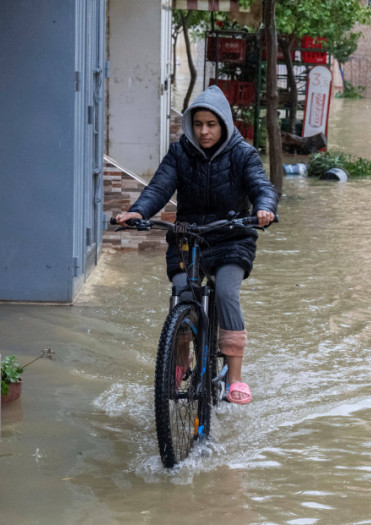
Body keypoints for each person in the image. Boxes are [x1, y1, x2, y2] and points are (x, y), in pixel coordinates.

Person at [115, 85, 277, 405]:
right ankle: (180, 360)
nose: (204, 131)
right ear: (190, 125)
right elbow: (159, 187)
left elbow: (261, 186)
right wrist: (139, 211)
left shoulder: (243, 154)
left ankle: (235, 378)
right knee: (182, 294)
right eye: (199, 124)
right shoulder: (180, 153)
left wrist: (264, 208)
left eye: (211, 124)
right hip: (188, 237)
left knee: (226, 293)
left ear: (224, 124)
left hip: (231, 237)